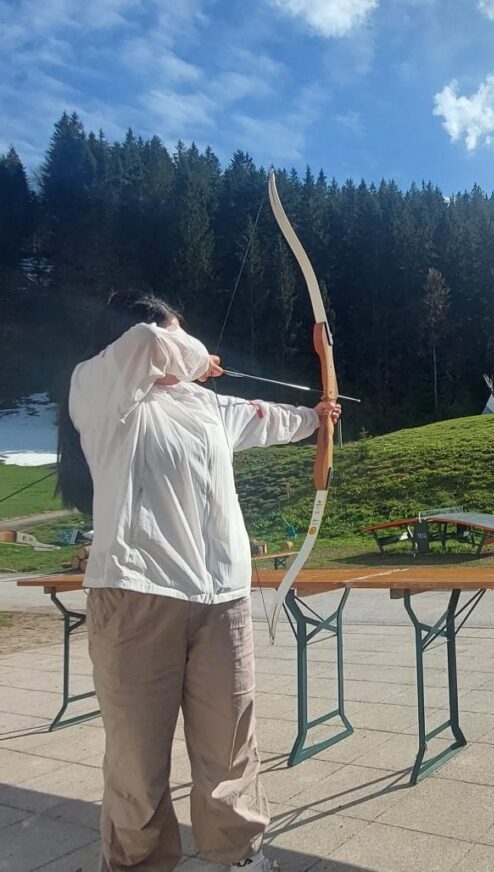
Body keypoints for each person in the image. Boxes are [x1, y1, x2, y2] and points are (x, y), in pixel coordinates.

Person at [58, 289, 341, 872]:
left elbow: (266, 418)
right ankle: (137, 864)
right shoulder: (98, 387)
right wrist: (193, 351)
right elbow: (146, 343)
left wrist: (318, 416)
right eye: (177, 332)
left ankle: (238, 858)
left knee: (230, 750)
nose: (183, 344)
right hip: (136, 594)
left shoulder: (204, 406)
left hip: (222, 601)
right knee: (137, 763)